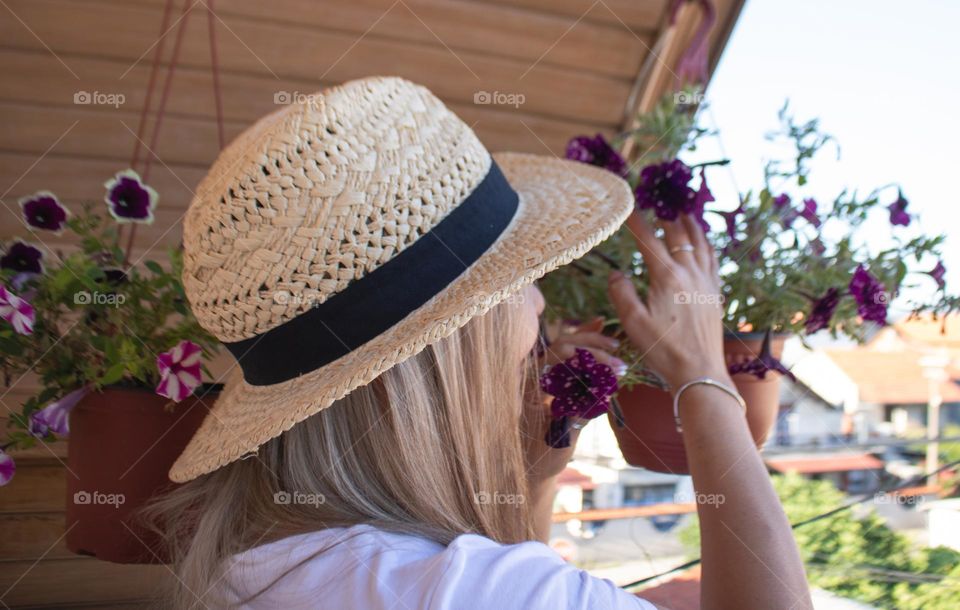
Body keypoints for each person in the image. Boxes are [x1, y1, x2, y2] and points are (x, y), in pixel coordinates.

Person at [150, 76, 812, 609]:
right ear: (450, 342)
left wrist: (533, 485)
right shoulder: (466, 590)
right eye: (521, 275)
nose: (541, 300)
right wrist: (705, 378)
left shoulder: (248, 568)